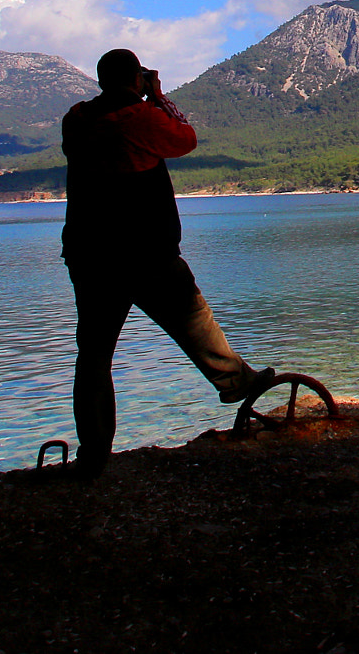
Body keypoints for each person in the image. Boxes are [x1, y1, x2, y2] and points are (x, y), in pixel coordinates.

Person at [59, 48, 274, 478]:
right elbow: (186, 137)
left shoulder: (77, 118)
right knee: (193, 316)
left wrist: (140, 92)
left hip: (88, 253)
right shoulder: (140, 118)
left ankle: (95, 454)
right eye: (140, 77)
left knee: (94, 356)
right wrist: (156, 95)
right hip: (144, 251)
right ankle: (234, 381)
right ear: (135, 78)